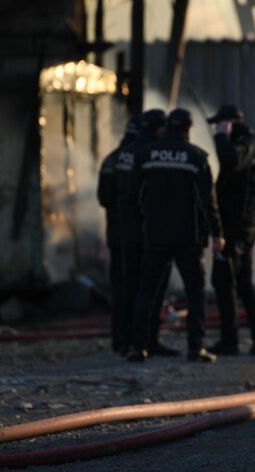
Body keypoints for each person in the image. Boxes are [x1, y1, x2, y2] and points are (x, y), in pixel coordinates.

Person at [129, 108, 224, 363]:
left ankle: (138, 347)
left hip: (156, 234)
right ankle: (196, 347)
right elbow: (208, 201)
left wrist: (147, 221)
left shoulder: (147, 154)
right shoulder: (196, 157)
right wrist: (217, 233)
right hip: (188, 237)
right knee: (194, 293)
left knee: (147, 290)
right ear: (188, 128)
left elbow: (136, 195)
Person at [207, 104, 255, 356]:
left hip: (237, 228)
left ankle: (230, 340)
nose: (216, 129)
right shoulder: (247, 143)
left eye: (219, 124)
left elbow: (228, 160)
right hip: (237, 225)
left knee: (224, 280)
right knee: (242, 281)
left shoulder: (249, 144)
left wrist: (222, 135)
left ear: (230, 123)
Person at [115, 109, 171, 358]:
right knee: (151, 288)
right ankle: (148, 340)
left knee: (129, 286)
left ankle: (123, 340)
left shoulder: (124, 152)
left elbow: (108, 193)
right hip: (148, 230)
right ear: (159, 128)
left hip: (125, 229)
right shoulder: (152, 152)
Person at [97, 118, 139, 354]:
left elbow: (103, 198)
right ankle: (133, 338)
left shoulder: (111, 159)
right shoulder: (138, 157)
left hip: (115, 233)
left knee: (119, 287)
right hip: (134, 235)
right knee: (133, 286)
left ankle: (118, 339)